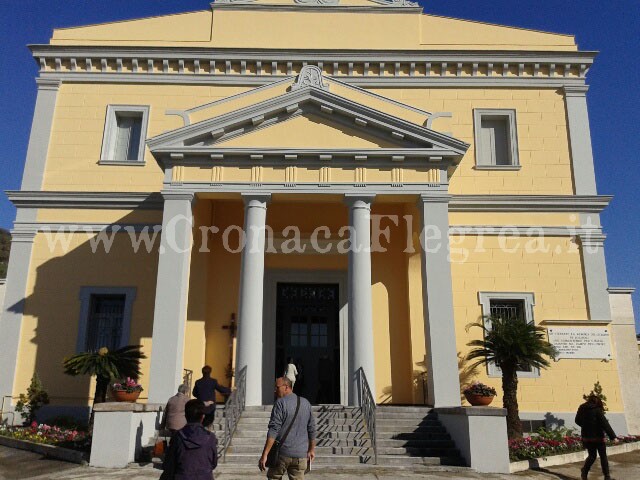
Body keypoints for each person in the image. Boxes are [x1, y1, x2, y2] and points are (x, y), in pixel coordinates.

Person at [259, 377, 316, 480]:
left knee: (274, 477)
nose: (275, 390)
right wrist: (311, 450)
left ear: (286, 387)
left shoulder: (280, 403)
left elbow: (274, 430)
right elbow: (311, 428)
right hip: (300, 455)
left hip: (282, 454)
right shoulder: (306, 403)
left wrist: (265, 454)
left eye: (277, 387)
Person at [160, 399, 218, 480]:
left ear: (185, 416)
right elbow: (213, 463)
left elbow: (169, 464)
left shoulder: (177, 436)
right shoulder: (210, 437)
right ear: (202, 417)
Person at [575, 394, 618, 480]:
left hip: (587, 437)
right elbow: (605, 424)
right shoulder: (597, 410)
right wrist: (613, 437)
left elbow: (577, 420)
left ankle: (584, 471)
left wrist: (586, 426)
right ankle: (607, 477)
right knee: (603, 456)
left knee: (592, 456)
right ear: (597, 402)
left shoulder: (582, 408)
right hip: (598, 437)